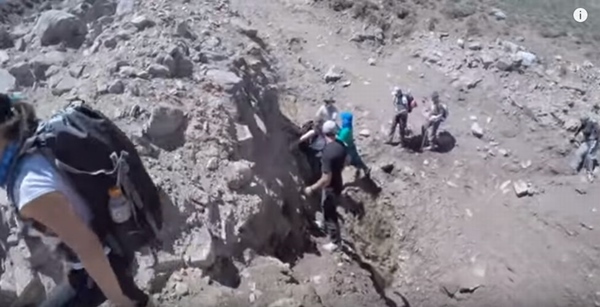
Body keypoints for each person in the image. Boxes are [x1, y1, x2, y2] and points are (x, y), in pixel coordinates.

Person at [0, 93, 152, 307]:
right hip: (109, 241)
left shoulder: (29, 187)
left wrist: (120, 302)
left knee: (125, 297)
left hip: (102, 262)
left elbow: (89, 247)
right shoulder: (32, 143)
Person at [304, 120, 347, 250]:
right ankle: (322, 224)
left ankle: (335, 242)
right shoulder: (341, 145)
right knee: (324, 204)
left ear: (324, 133)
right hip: (338, 181)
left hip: (331, 187)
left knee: (330, 213)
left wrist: (311, 188)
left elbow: (326, 179)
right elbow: (347, 160)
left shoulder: (327, 153)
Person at [337, 112, 370, 177]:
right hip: (351, 146)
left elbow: (339, 139)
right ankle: (363, 169)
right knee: (356, 159)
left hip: (348, 148)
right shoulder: (348, 127)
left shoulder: (346, 130)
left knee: (349, 161)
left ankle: (364, 169)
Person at [571, 115, 599, 181]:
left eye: (582, 121)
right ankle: (572, 169)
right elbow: (579, 129)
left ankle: (590, 173)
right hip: (586, 142)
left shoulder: (593, 123)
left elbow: (597, 132)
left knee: (589, 156)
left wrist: (596, 140)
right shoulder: (584, 124)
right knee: (578, 153)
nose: (581, 122)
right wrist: (574, 135)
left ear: (586, 120)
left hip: (594, 141)